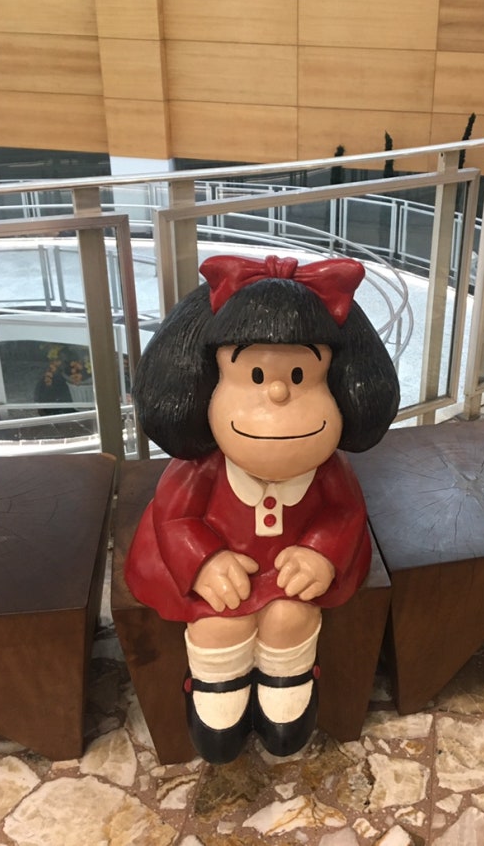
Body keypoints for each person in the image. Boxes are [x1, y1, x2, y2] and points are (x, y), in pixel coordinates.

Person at [125, 253, 399, 763]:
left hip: (294, 566)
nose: (277, 392)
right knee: (219, 623)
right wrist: (204, 559)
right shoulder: (203, 468)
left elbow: (344, 512)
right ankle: (216, 694)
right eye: (255, 374)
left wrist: (322, 552)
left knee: (291, 616)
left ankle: (288, 687)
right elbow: (174, 516)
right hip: (221, 565)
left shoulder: (326, 470)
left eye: (299, 374)